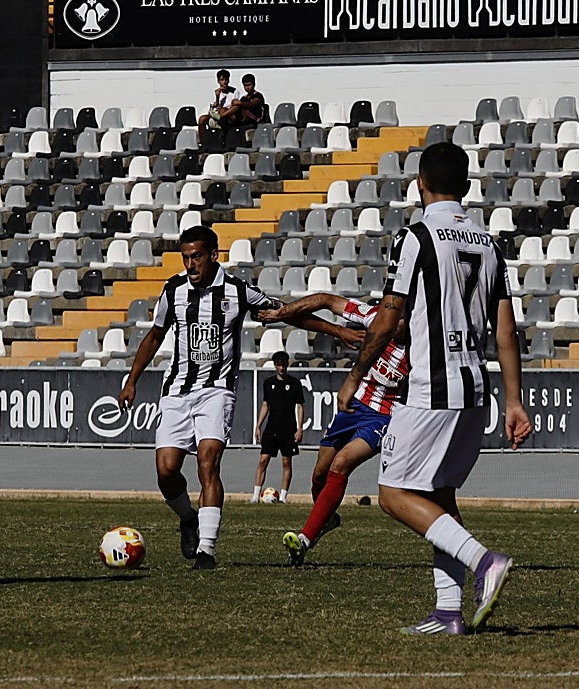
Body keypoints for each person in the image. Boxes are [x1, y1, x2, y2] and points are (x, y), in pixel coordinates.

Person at [336, 141, 532, 635]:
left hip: (428, 388)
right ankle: (448, 612)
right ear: (466, 187)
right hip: (474, 388)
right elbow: (505, 331)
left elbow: (387, 319)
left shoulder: (417, 236)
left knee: (393, 494)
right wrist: (513, 399)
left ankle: (484, 561)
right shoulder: (489, 244)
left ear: (418, 182)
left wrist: (357, 375)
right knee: (439, 495)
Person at [117, 225, 358, 570]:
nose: (190, 265)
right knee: (166, 471)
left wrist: (338, 330)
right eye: (185, 258)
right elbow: (155, 336)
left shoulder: (237, 291)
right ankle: (189, 517)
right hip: (176, 391)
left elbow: (288, 313)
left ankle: (206, 551)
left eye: (196, 257)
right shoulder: (173, 290)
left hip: (217, 391)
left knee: (207, 462)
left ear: (213, 255)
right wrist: (132, 380)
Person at [257, 292, 407, 566]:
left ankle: (304, 539)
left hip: (384, 417)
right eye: (395, 317)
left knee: (341, 463)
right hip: (354, 406)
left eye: (402, 319)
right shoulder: (374, 318)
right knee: (320, 473)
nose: (396, 323)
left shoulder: (422, 351)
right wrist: (283, 313)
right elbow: (326, 300)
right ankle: (326, 518)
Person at [251, 350, 305, 504]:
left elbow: (300, 406)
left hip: (288, 427)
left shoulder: (295, 384)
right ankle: (255, 495)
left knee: (286, 461)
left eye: (284, 365)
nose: (281, 368)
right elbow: (265, 405)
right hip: (272, 427)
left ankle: (283, 496)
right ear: (275, 366)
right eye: (279, 365)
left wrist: (300, 428)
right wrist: (258, 425)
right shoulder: (269, 383)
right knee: (263, 459)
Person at [197, 68, 238, 140]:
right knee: (202, 119)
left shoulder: (234, 91)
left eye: (226, 80)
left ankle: (222, 138)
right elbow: (213, 107)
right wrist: (217, 97)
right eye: (222, 80)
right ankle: (203, 142)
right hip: (216, 114)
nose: (224, 82)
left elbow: (235, 106)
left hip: (228, 114)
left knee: (223, 110)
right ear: (218, 81)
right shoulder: (216, 92)